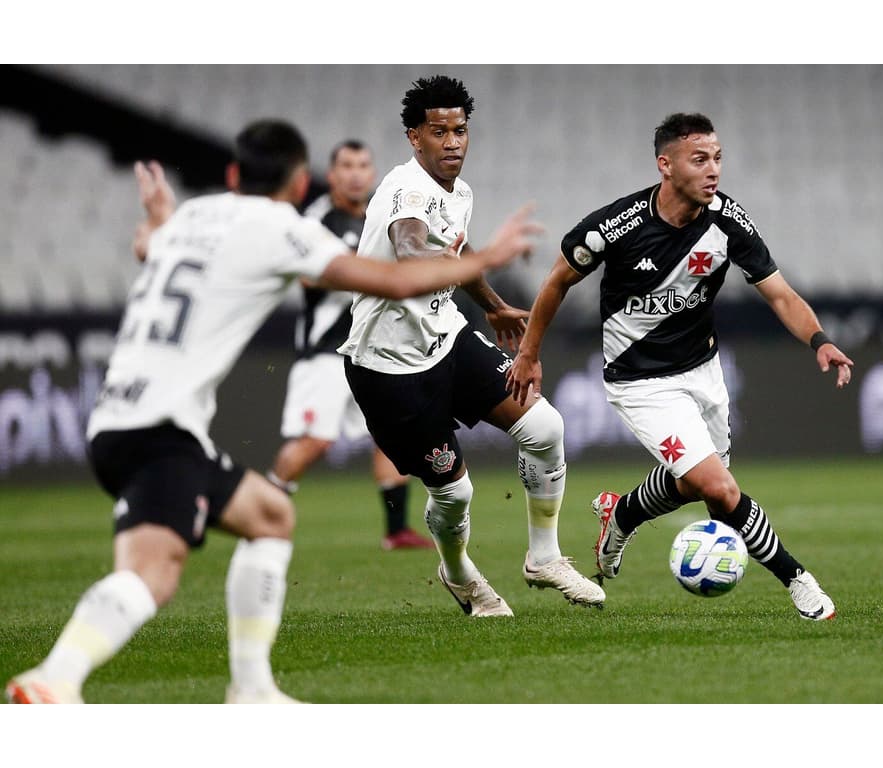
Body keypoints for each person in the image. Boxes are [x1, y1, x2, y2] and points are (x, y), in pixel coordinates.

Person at [5, 119, 540, 704]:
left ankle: (253, 688)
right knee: (151, 576)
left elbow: (147, 247)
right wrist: (485, 257)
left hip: (115, 418)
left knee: (269, 517)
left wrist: (161, 214)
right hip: (159, 431)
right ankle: (55, 679)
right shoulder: (283, 226)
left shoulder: (193, 216)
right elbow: (389, 279)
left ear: (234, 175)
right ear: (295, 185)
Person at [506, 112, 854, 621]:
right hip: (641, 381)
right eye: (700, 159)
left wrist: (819, 340)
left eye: (717, 158)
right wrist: (530, 353)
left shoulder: (728, 220)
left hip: (704, 372)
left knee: (703, 489)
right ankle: (799, 581)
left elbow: (779, 293)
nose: (713, 170)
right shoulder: (617, 225)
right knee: (720, 489)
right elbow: (558, 279)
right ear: (665, 165)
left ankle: (621, 512)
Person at [340, 75, 605, 617]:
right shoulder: (406, 192)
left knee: (545, 427)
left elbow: (454, 250)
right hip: (390, 369)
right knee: (455, 495)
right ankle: (459, 573)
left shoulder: (457, 192)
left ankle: (544, 556)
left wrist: (491, 302)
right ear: (415, 137)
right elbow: (413, 252)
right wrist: (482, 263)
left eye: (460, 130)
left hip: (448, 338)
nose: (454, 142)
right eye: (439, 132)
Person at [269, 139, 432, 551]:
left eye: (363, 164)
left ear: (373, 173)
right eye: (347, 165)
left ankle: (396, 531)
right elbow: (308, 275)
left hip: (370, 350)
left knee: (390, 437)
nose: (356, 173)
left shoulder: (379, 218)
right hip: (324, 352)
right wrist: (366, 270)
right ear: (333, 173)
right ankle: (264, 512)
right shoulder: (318, 218)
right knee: (315, 442)